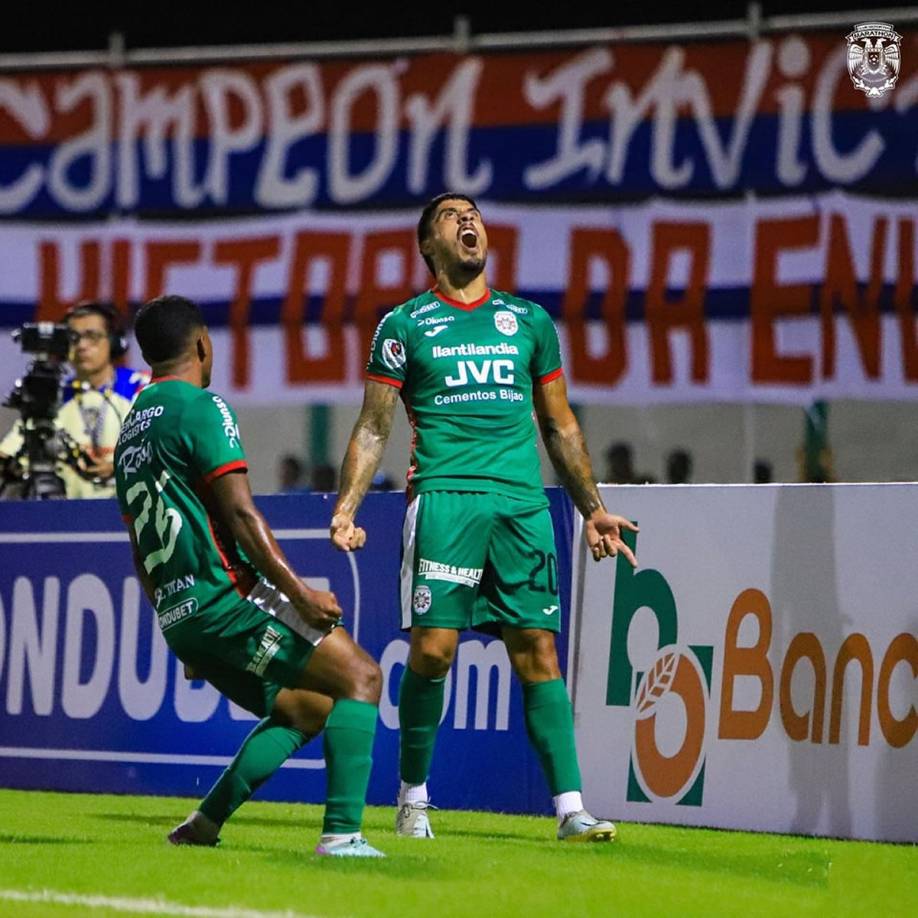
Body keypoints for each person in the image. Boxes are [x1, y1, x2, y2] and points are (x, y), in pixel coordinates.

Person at [330, 193, 638, 843]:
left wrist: (592, 508)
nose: (468, 220)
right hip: (446, 499)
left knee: (538, 652)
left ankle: (570, 809)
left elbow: (560, 423)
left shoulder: (529, 321)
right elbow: (374, 426)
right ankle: (413, 798)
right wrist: (346, 507)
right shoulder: (404, 325)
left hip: (522, 506)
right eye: (451, 216)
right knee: (434, 651)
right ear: (427, 245)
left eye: (474, 214)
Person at [115, 295, 384, 858]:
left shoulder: (131, 432)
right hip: (228, 596)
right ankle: (342, 836)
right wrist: (300, 595)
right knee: (361, 678)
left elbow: (140, 548)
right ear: (201, 344)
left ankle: (204, 823)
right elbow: (240, 514)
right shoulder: (200, 407)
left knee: (305, 708)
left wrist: (174, 622)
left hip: (182, 613)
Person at [0, 302, 148, 498]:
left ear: (114, 342)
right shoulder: (51, 396)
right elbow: (9, 452)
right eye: (73, 338)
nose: (82, 346)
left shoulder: (142, 388)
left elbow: (167, 450)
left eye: (92, 336)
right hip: (68, 513)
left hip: (133, 509)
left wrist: (120, 465)